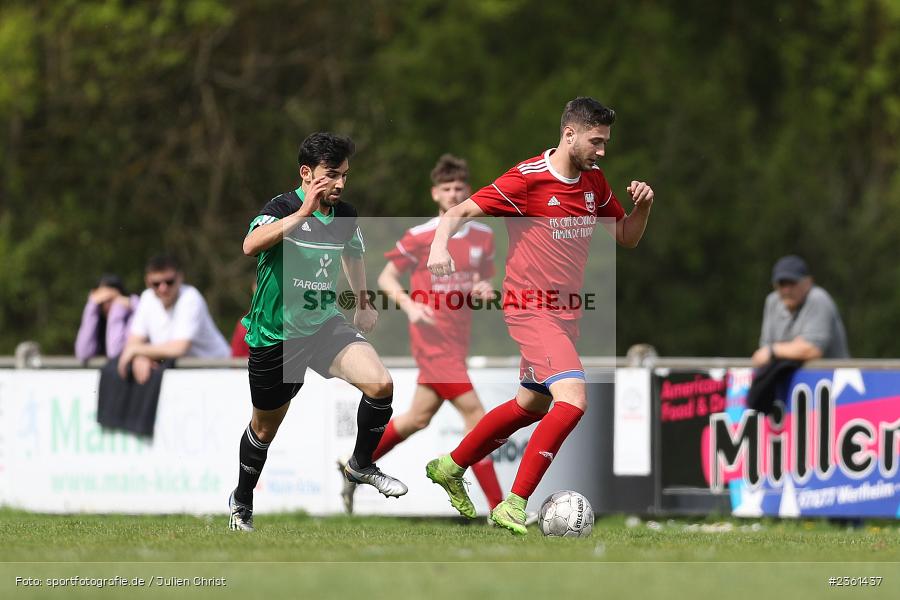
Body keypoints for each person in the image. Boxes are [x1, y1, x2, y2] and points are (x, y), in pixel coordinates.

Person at [425, 97, 655, 535]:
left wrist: (643, 207)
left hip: (564, 315)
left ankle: (451, 466)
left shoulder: (594, 183)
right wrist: (440, 247)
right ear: (570, 134)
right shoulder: (527, 180)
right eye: (597, 141)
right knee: (573, 398)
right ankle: (513, 503)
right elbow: (458, 212)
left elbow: (625, 236)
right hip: (531, 310)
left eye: (605, 142)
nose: (602, 151)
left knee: (530, 404)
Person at [228, 132, 407, 532]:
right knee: (264, 428)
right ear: (307, 174)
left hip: (323, 325)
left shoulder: (345, 215)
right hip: (276, 337)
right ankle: (242, 501)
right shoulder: (282, 207)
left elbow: (354, 253)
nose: (340, 184)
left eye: (344, 175)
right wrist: (302, 214)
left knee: (380, 385)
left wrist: (363, 301)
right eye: (331, 175)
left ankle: (361, 465)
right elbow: (250, 244)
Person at [338, 154, 506, 516]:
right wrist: (411, 307)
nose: (453, 194)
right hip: (432, 342)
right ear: (435, 194)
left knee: (417, 418)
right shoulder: (419, 236)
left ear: (469, 191)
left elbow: (484, 279)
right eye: (446, 189)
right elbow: (385, 278)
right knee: (478, 418)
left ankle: (355, 464)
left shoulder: (484, 235)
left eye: (459, 188)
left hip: (457, 341)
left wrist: (483, 288)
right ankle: (499, 508)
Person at [117, 255, 230, 384]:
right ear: (147, 282)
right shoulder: (147, 297)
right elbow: (134, 342)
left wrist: (136, 351)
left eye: (169, 282)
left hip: (218, 372)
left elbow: (178, 348)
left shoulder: (190, 297)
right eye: (156, 283)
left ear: (180, 277)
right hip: (189, 375)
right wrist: (140, 357)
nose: (163, 288)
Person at [751, 255, 849, 367]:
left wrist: (774, 350)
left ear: (808, 282)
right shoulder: (772, 301)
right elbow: (764, 351)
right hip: (790, 379)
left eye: (792, 283)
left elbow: (812, 350)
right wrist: (794, 347)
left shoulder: (818, 298)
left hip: (830, 380)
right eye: (782, 283)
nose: (787, 290)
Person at [75, 274, 139, 361]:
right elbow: (83, 353)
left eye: (110, 299)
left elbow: (115, 353)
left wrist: (119, 309)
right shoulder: (97, 320)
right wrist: (92, 308)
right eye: (102, 300)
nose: (106, 304)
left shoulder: (132, 318)